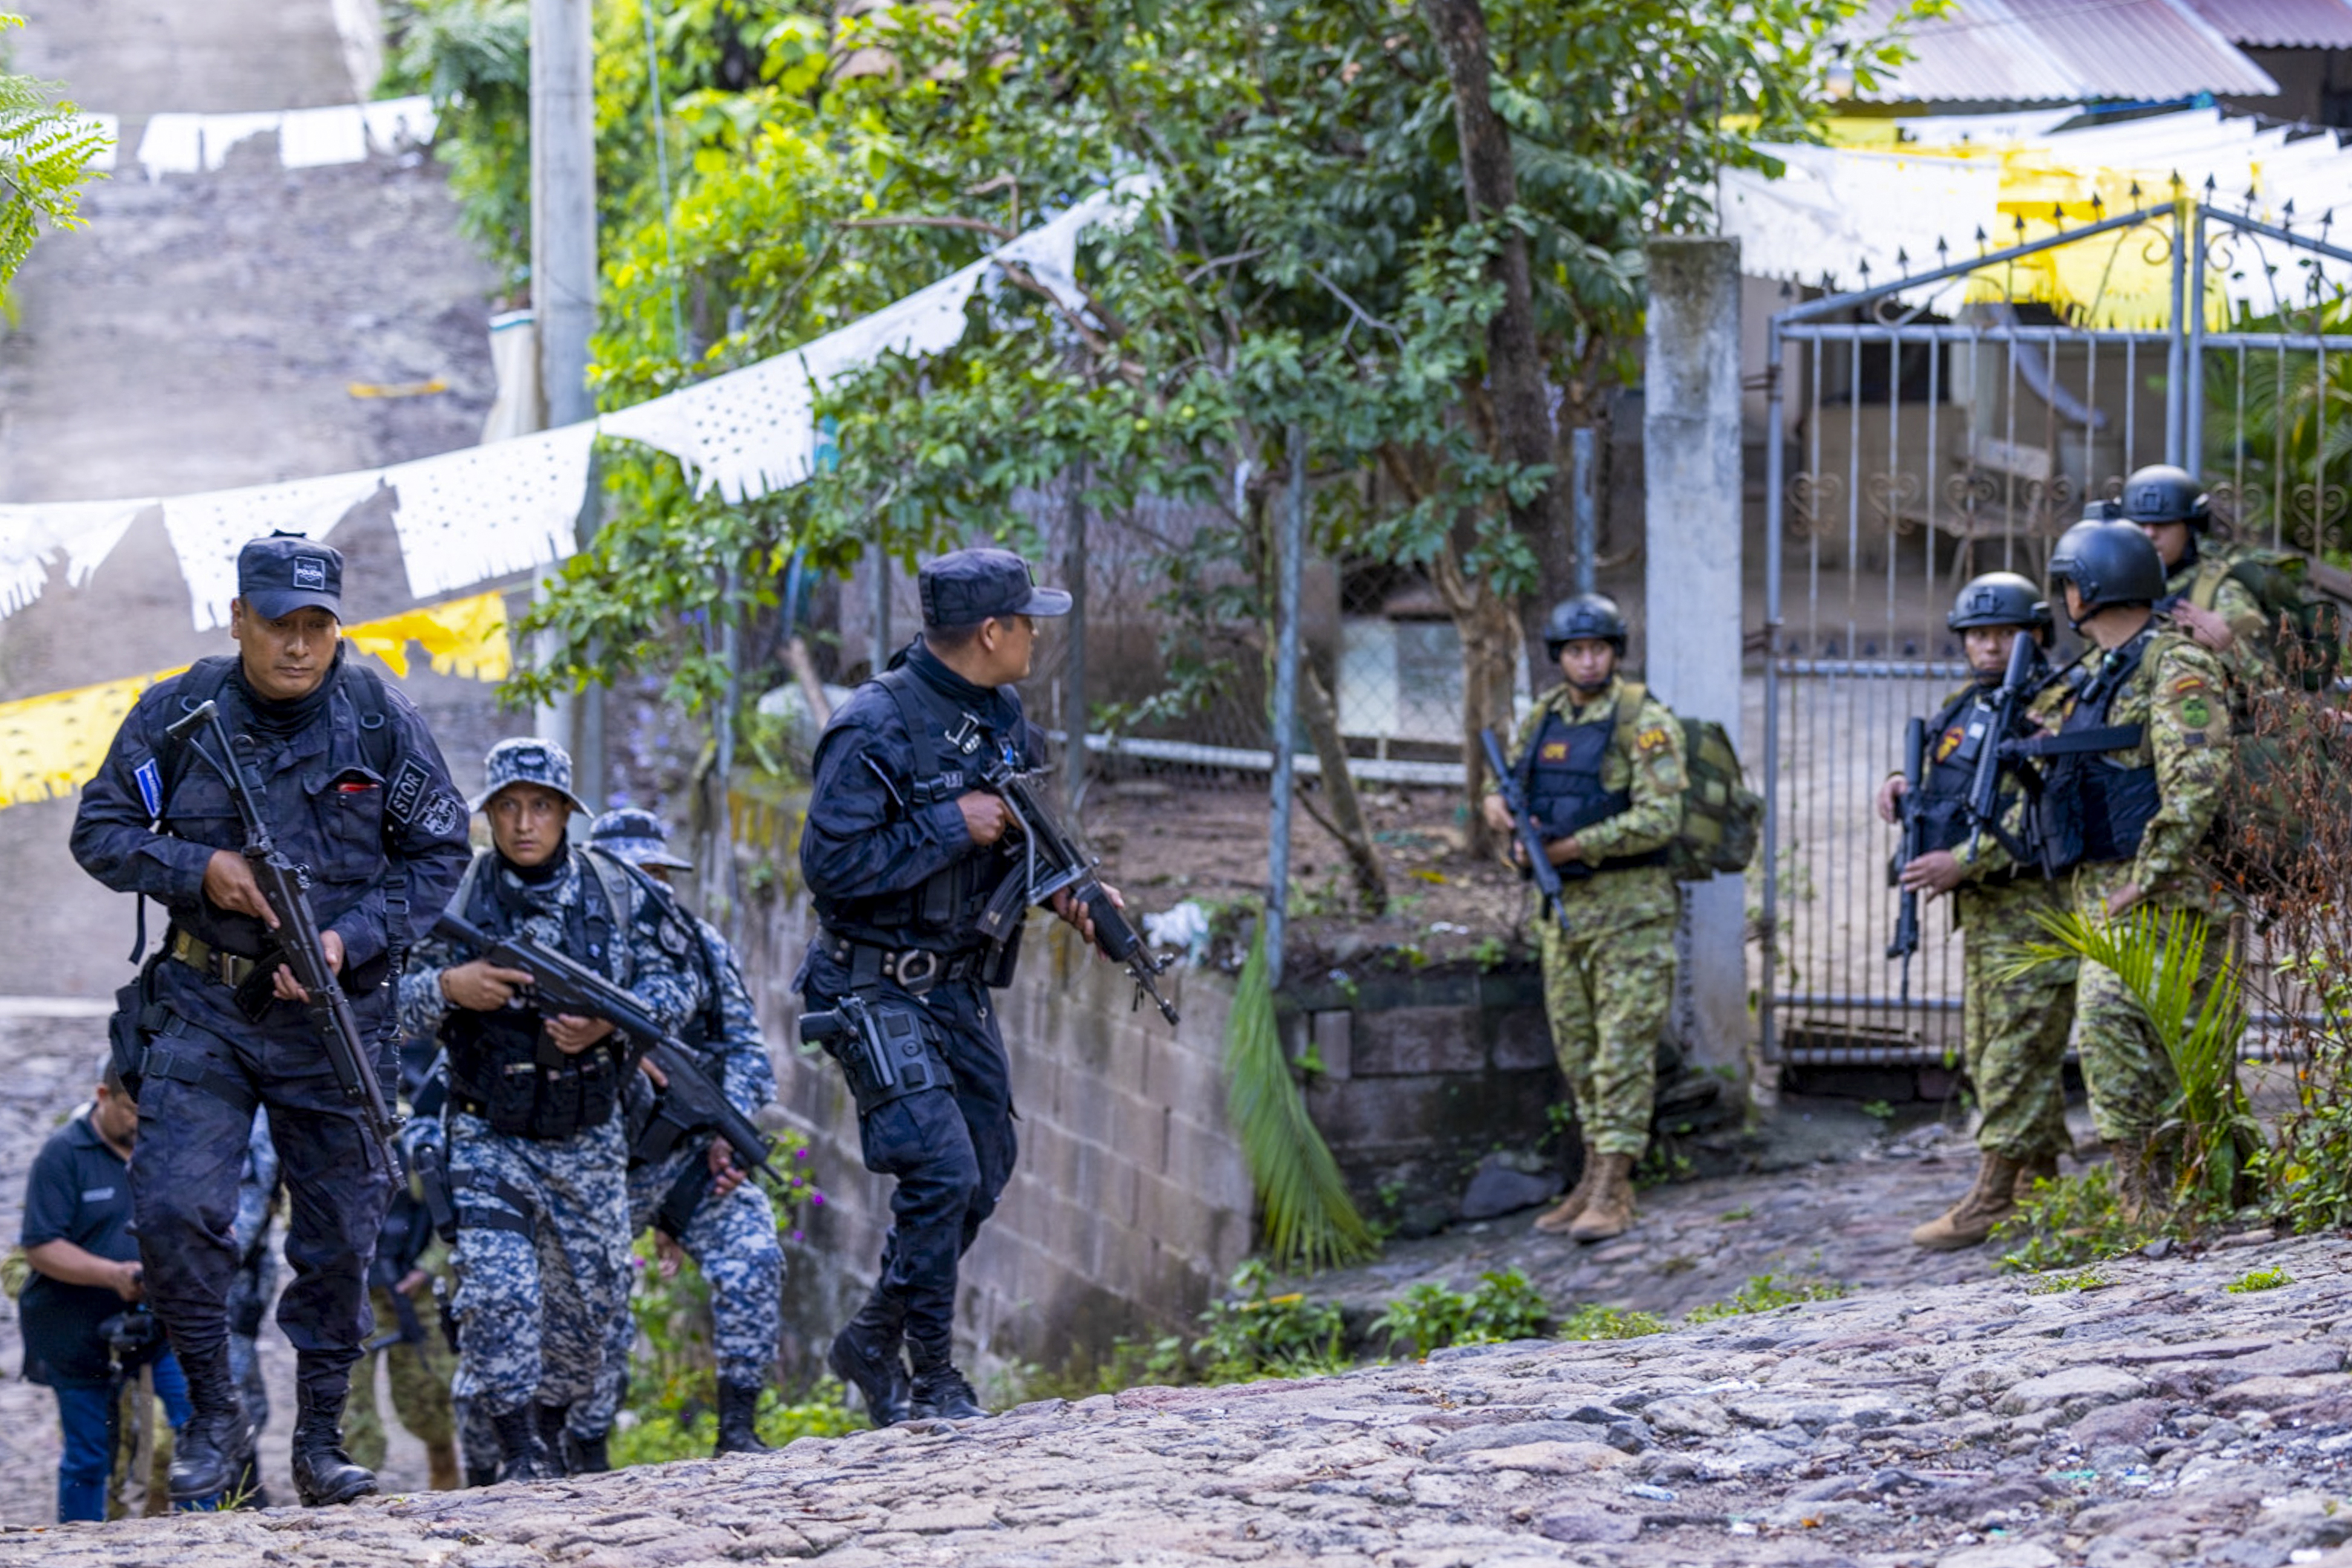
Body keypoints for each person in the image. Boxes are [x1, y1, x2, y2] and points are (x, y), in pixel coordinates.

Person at [70, 534, 472, 1507]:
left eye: (317, 627)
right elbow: (102, 828)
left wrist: (345, 944)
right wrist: (197, 869)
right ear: (238, 617)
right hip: (206, 1004)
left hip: (334, 1013)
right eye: (280, 624)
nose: (299, 646)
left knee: (342, 1234)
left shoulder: (377, 717)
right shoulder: (179, 712)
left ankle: (322, 1441)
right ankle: (214, 1411)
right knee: (172, 1209)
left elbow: (439, 849)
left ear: (337, 630)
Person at [799, 547, 1108, 1426]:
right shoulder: (874, 726)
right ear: (990, 631)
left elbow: (1028, 840)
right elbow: (831, 868)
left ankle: (872, 1333)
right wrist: (948, 823)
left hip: (957, 986)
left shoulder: (1005, 716)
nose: (1039, 639)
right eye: (1029, 623)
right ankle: (930, 1376)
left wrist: (1079, 895)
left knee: (986, 1168)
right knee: (940, 1170)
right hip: (874, 984)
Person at [396, 738, 699, 1482]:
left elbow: (682, 985)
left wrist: (608, 1022)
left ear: (566, 812)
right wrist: (450, 988)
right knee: (498, 1294)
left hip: (588, 1135)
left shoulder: (620, 893)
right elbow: (384, 1006)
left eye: (540, 806)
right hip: (486, 1129)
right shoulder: (453, 895)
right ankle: (518, 1452)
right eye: (508, 807)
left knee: (589, 1314)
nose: (524, 823)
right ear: (488, 814)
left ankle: (552, 1431)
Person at [2037, 520, 2235, 1217]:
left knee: (2148, 1040)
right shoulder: (2094, 676)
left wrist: (2144, 878)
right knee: (2142, 1044)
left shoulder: (2175, 666)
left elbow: (2197, 778)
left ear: (2090, 587)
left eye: (2067, 582)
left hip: (2169, 896)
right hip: (2114, 894)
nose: (2062, 597)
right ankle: (2149, 1193)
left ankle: (2185, 1193)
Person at [573, 807, 783, 1460]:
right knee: (592, 1302)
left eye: (660, 873)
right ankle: (584, 1451)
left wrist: (730, 1126)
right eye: (635, 877)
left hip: (686, 1153)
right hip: (592, 1164)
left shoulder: (699, 943)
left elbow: (748, 1050)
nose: (653, 888)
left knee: (754, 1253)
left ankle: (738, 1429)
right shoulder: (570, 950)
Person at [1876, 573, 2078, 1250]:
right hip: (1987, 916)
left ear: (2037, 636)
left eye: (2004, 634)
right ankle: (2039, 1181)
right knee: (1995, 1048)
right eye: (1977, 634)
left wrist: (1965, 862)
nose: (1989, 646)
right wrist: (1902, 788)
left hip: (2036, 906)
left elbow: (2038, 802)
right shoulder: (1963, 704)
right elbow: (1955, 788)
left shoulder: (2056, 703)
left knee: (2014, 1055)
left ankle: (1992, 1192)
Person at [1479, 594, 1688, 1244]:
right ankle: (1592, 1176)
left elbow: (1661, 818)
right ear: (1559, 657)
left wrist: (1578, 846)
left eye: (1598, 648)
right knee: (1578, 1051)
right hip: (1564, 916)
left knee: (1622, 1055)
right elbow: (1514, 783)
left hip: (1630, 915)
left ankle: (1615, 1187)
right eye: (1576, 650)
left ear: (1615, 653)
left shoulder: (1645, 722)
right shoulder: (1543, 717)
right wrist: (1495, 806)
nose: (1588, 659)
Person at [20, 1059, 194, 1522]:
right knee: (88, 1454)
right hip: (73, 1327)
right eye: (131, 1109)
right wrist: (114, 1274)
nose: (141, 1122)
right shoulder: (64, 1154)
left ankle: (210, 1531)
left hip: (160, 1321)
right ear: (103, 1096)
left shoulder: (165, 1148)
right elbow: (40, 1246)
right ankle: (77, 1543)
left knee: (196, 1426)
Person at [2108, 464, 2269, 687]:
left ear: (2191, 527)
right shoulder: (2114, 588)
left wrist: (2227, 646)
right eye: (2139, 524)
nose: (2150, 534)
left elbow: (2269, 690)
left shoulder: (2222, 595)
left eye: (2164, 524)